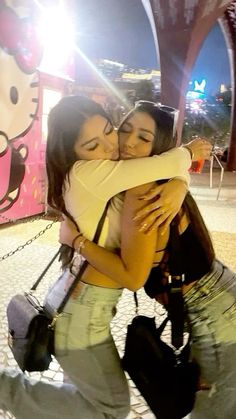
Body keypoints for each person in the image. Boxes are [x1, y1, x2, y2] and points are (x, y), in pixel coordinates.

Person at [0, 96, 209, 419]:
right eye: (92, 144)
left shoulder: (111, 174)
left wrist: (180, 183)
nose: (112, 146)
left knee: (82, 397)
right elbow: (133, 278)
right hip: (81, 313)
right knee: (112, 408)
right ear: (73, 152)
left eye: (110, 131)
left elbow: (159, 168)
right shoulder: (90, 173)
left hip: (77, 301)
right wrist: (188, 158)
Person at [60, 100, 236, 419]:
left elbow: (133, 277)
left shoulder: (143, 189)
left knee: (219, 402)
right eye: (123, 129)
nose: (126, 142)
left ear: (161, 147)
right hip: (218, 294)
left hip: (216, 307)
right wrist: (180, 180)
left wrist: (76, 241)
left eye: (143, 137)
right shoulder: (150, 180)